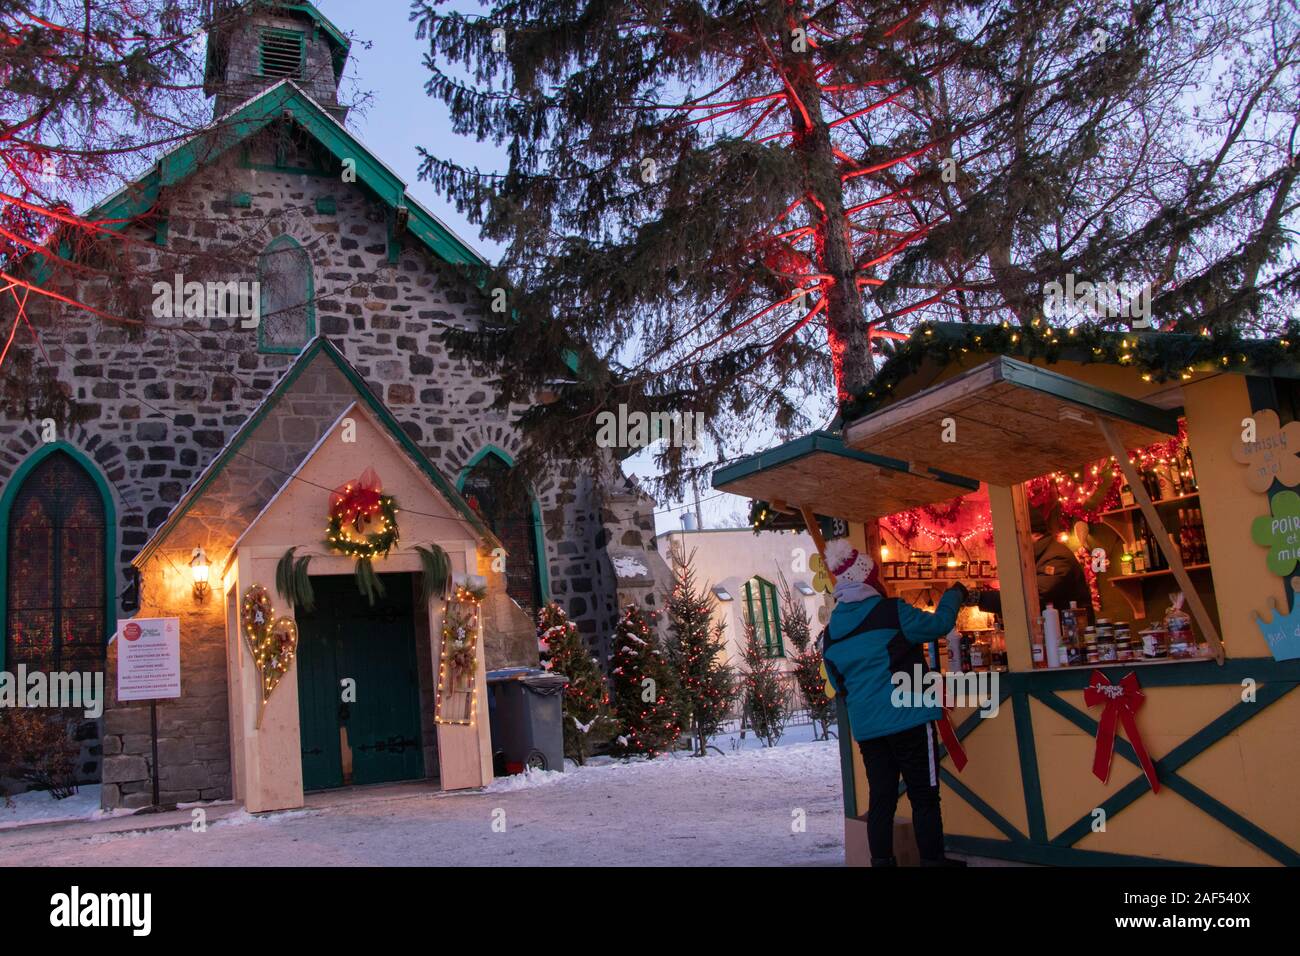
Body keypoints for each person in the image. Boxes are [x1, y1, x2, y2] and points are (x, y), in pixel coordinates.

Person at [819, 538, 968, 867]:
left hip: (869, 729)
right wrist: (954, 594)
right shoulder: (891, 612)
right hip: (910, 718)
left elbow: (838, 684)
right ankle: (933, 861)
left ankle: (883, 863)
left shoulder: (830, 634)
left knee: (882, 799)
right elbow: (940, 625)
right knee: (924, 796)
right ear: (869, 579)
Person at [977, 506, 1091, 618]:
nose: (1015, 542)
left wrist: (979, 598)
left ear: (1034, 534)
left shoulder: (1056, 558)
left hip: (1068, 632)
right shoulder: (1039, 557)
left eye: (1018, 535)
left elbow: (1033, 597)